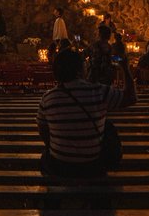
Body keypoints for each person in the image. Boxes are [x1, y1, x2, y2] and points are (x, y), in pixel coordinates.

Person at [37, 48, 135, 179]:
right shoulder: (98, 91)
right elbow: (130, 98)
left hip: (60, 165)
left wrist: (60, 145)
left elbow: (43, 131)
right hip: (92, 163)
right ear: (80, 69)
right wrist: (125, 69)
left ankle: (53, 197)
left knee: (45, 157)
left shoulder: (48, 98)